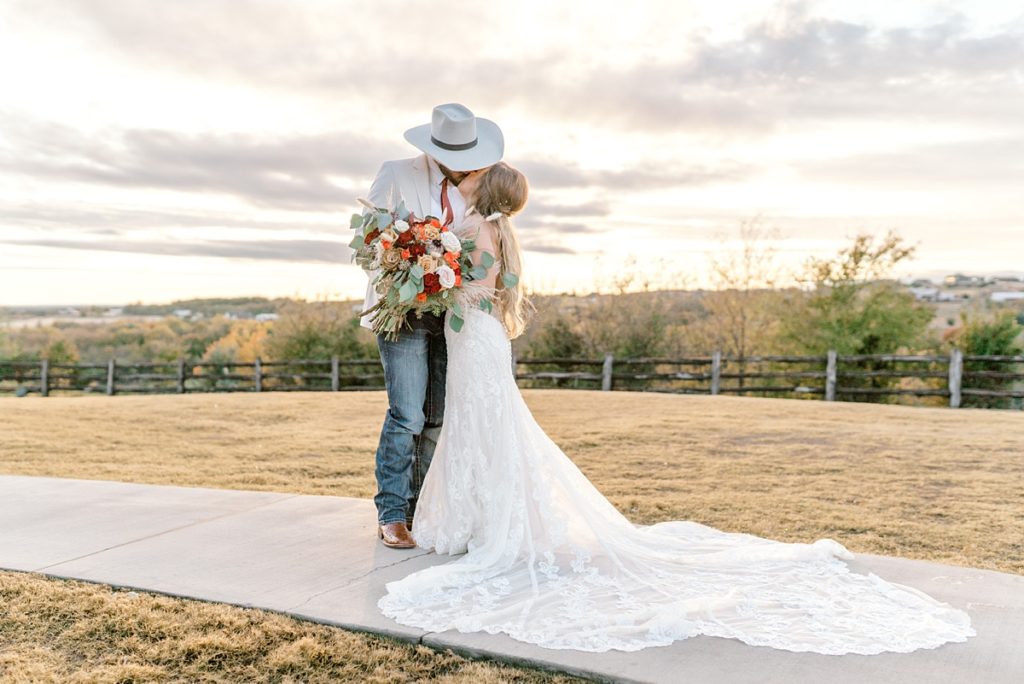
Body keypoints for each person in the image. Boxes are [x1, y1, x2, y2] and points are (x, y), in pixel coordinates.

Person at [376, 162, 976, 655]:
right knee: (485, 427)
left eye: (480, 178)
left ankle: (478, 521)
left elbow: (453, 285)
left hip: (473, 338)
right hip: (481, 339)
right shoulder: (499, 232)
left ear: (489, 190)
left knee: (477, 425)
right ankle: (482, 515)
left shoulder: (477, 230)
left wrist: (423, 273)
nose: (472, 180)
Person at [362, 103, 504, 549]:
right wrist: (407, 267)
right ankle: (393, 513)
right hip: (401, 311)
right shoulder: (396, 173)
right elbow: (370, 242)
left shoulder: (478, 188)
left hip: (452, 319)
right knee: (407, 415)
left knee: (438, 418)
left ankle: (424, 506)